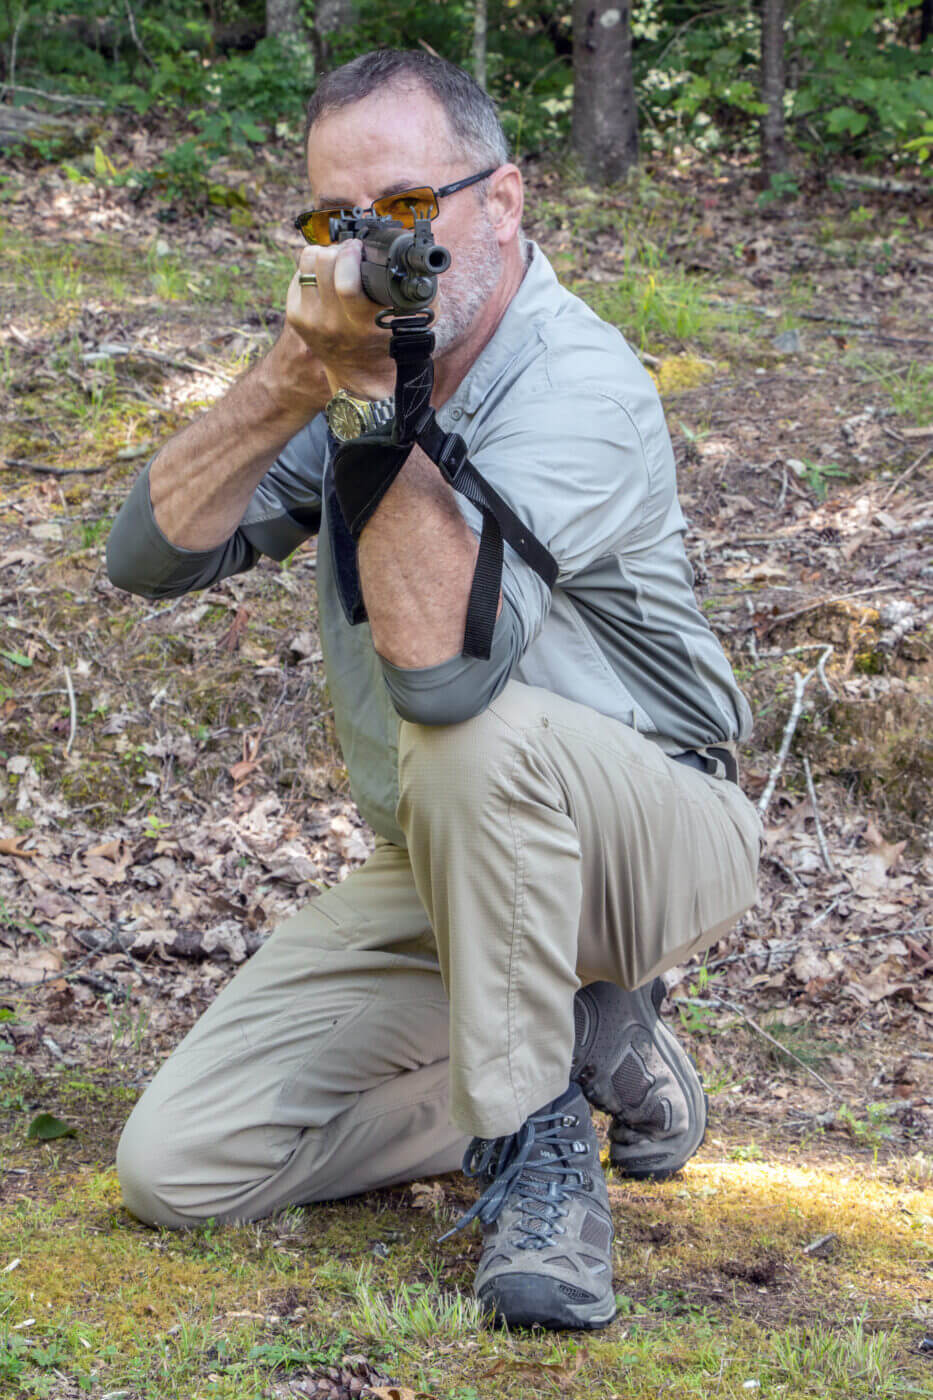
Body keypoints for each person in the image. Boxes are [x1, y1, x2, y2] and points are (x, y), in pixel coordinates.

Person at [106, 49, 761, 1332]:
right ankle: (572, 1049)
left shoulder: (582, 384)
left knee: (470, 739)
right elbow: (149, 558)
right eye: (337, 223)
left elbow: (448, 677)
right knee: (178, 1165)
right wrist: (289, 382)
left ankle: (535, 1154)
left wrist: (362, 405)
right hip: (451, 864)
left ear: (502, 204)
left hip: (658, 836)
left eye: (408, 211)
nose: (373, 251)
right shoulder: (348, 362)